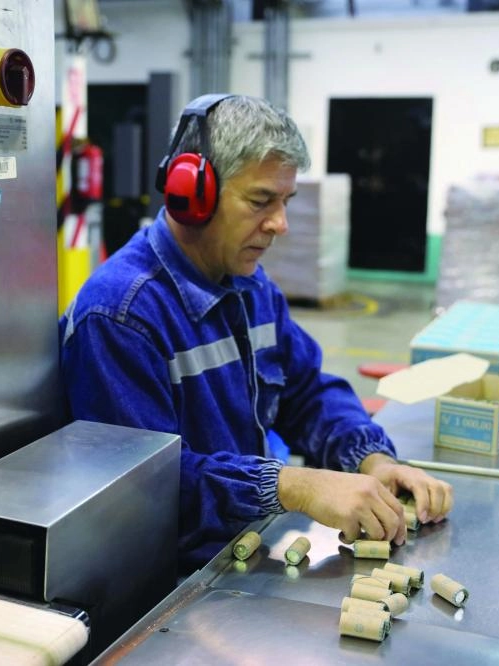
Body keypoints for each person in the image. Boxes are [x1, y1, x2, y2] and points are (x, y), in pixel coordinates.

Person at [59, 94, 453, 570]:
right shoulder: (121, 316)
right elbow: (143, 486)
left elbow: (306, 392)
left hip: (241, 549)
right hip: (162, 583)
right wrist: (292, 485)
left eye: (285, 201)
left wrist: (371, 459)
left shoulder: (250, 287)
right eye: (260, 201)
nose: (280, 224)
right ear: (192, 196)